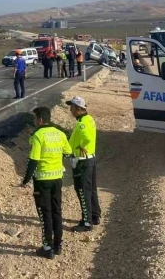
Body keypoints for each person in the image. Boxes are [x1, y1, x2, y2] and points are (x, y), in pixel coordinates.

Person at [22, 107, 72, 259]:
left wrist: (25, 179)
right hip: (57, 178)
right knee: (57, 210)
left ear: (40, 120)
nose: (34, 122)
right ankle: (58, 245)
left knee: (45, 213)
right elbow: (68, 152)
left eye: (35, 119)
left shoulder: (38, 135)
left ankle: (47, 247)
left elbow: (34, 160)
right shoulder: (60, 134)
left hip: (42, 180)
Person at [66, 97, 101, 232]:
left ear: (79, 109)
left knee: (82, 190)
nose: (71, 110)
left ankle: (86, 222)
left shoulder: (82, 123)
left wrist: (81, 146)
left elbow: (87, 137)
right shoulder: (88, 119)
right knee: (91, 189)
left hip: (82, 161)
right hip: (90, 159)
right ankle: (95, 215)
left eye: (73, 108)